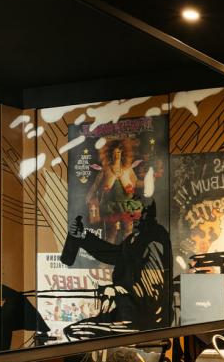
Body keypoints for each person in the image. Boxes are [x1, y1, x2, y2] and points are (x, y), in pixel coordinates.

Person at [62, 200, 172, 333]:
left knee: (76, 331)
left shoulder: (155, 238)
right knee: (74, 330)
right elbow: (113, 255)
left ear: (147, 212)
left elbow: (153, 289)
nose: (130, 214)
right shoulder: (135, 237)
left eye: (136, 209)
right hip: (128, 312)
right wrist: (83, 235)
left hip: (145, 320)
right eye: (129, 209)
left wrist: (117, 291)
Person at [86, 138, 142, 242]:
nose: (117, 154)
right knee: (111, 233)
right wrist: (89, 197)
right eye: (115, 152)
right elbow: (96, 185)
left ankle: (128, 250)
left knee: (128, 231)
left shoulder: (128, 169)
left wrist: (148, 182)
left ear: (123, 153)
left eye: (119, 152)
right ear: (110, 154)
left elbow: (136, 182)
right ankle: (110, 251)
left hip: (126, 205)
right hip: (110, 206)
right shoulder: (106, 169)